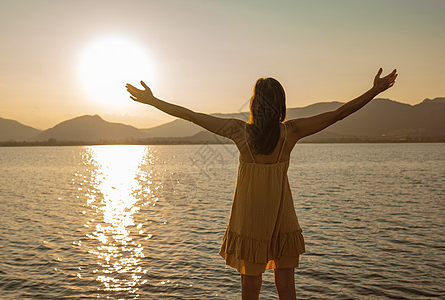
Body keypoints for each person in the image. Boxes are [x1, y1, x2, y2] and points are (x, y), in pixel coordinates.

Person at [126, 68, 397, 299]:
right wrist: (374, 91)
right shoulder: (291, 132)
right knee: (287, 287)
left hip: (250, 219)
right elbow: (341, 113)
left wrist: (153, 101)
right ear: (281, 105)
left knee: (250, 289)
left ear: (255, 104)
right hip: (282, 215)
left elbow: (191, 115)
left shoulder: (239, 132)